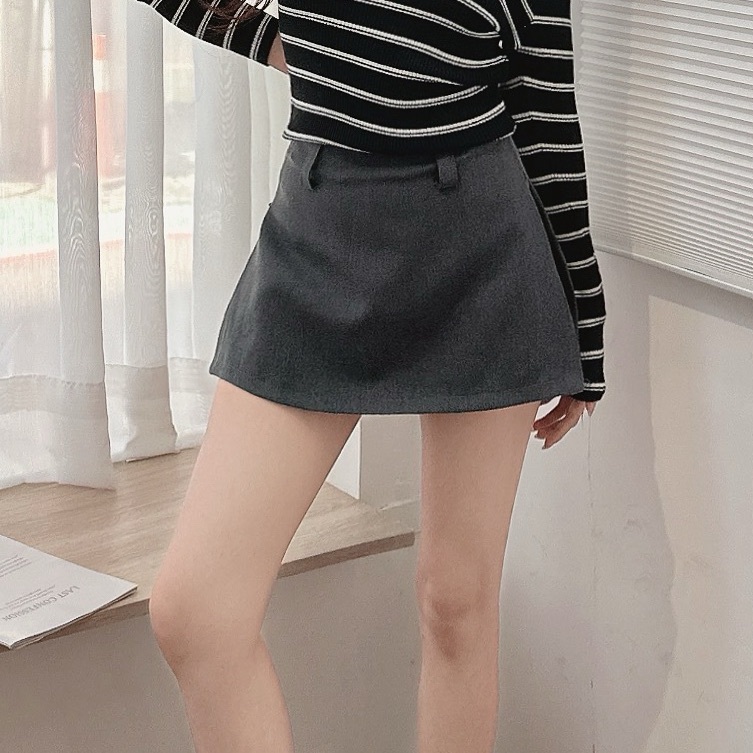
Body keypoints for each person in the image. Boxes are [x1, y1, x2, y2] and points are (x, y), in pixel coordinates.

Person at [137, 1, 607, 751]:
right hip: (318, 230)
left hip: (479, 246)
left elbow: (544, 103)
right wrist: (280, 41)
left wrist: (585, 326)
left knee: (455, 601)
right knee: (194, 612)